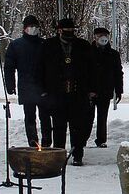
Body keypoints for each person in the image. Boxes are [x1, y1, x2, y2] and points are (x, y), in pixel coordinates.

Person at [40, 18, 95, 166]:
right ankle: (59, 155)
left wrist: (91, 89)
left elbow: (92, 70)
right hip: (57, 93)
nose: (69, 33)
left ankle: (77, 155)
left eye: (71, 31)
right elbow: (40, 69)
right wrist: (43, 90)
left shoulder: (83, 46)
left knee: (77, 126)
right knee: (58, 126)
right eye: (66, 31)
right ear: (59, 31)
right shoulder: (48, 45)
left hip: (78, 93)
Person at [4, 15, 51, 148]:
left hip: (44, 86)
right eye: (31, 27)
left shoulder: (44, 44)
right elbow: (9, 66)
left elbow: (52, 66)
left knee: (45, 116)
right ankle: (33, 140)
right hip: (26, 86)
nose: (34, 29)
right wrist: (10, 85)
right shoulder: (16, 45)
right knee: (29, 116)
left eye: (36, 27)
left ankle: (47, 141)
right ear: (25, 28)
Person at [91, 27, 124, 147]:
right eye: (100, 35)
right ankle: (82, 139)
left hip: (105, 90)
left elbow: (118, 73)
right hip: (90, 90)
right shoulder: (88, 52)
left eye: (105, 35)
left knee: (102, 116)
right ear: (94, 37)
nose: (103, 37)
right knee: (87, 117)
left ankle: (101, 140)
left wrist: (119, 90)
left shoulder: (113, 54)